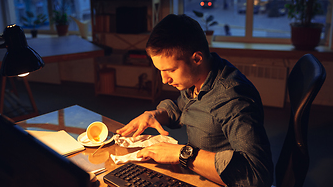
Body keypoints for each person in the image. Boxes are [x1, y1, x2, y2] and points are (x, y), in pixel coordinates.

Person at [116, 14, 274, 186]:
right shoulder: (199, 77)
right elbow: (184, 110)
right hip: (196, 171)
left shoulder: (233, 99)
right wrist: (155, 114)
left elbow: (257, 177)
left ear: (197, 58)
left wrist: (182, 154)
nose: (164, 80)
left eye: (170, 70)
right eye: (160, 71)